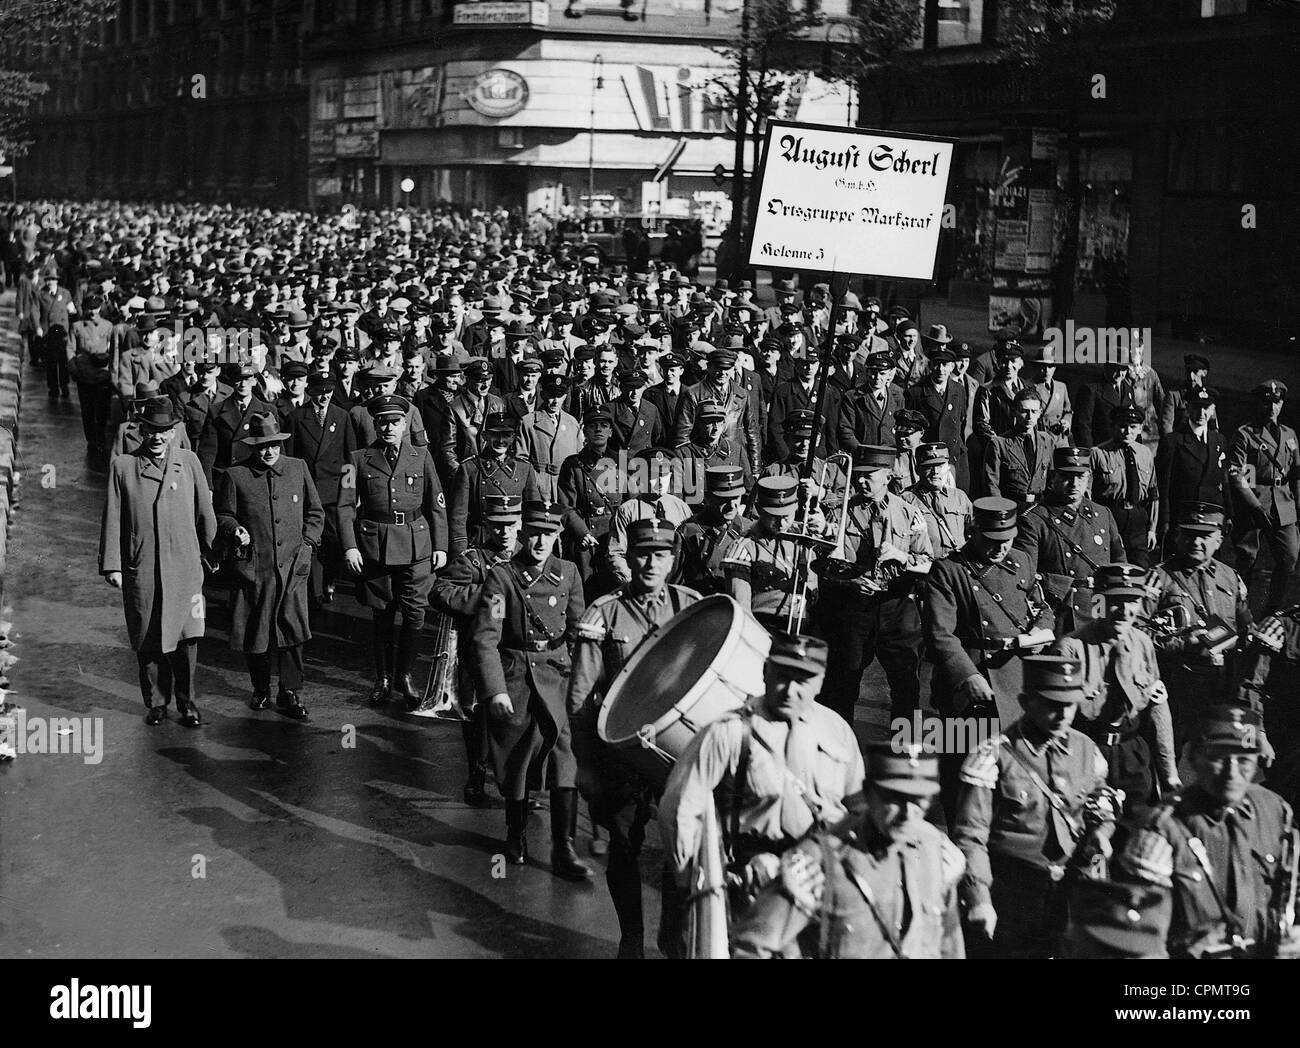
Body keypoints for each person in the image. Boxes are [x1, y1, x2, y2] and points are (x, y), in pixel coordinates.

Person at [658, 633, 864, 955]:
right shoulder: (730, 731)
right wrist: (693, 886)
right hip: (750, 881)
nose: (790, 690)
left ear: (821, 683)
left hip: (818, 880)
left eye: (803, 680)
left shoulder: (836, 731)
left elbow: (859, 806)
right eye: (782, 676)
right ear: (766, 671)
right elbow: (680, 806)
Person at [568, 520, 702, 958]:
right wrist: (586, 768)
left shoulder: (690, 607)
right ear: (630, 557)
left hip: (677, 754)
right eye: (643, 553)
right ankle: (631, 937)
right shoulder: (603, 613)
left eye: (660, 555)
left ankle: (671, 932)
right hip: (622, 755)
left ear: (671, 560)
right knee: (625, 846)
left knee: (680, 846)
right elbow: (581, 700)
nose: (650, 563)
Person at [730, 743, 965, 959]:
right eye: (894, 798)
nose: (908, 813)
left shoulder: (935, 850)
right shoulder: (819, 860)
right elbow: (750, 947)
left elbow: (949, 944)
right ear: (868, 793)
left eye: (919, 800)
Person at [953, 655, 1116, 959]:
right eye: (1052, 704)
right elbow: (970, 837)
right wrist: (979, 898)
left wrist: (1102, 830)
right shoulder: (992, 755)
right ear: (1026, 702)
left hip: (1070, 889)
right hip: (1012, 894)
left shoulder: (1086, 748)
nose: (1063, 714)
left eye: (1070, 704)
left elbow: (1101, 798)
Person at [470, 500, 592, 881]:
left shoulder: (569, 573)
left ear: (559, 536)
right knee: (517, 757)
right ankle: (515, 832)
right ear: (522, 534)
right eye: (534, 533)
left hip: (557, 672)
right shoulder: (503, 578)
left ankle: (564, 846)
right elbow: (485, 639)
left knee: (564, 753)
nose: (541, 542)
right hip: (517, 674)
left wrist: (580, 679)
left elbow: (577, 631)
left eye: (550, 534)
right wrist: (495, 690)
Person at [1118, 706, 1296, 958]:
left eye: (1244, 759)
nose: (1232, 773)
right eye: (1219, 757)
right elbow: (1138, 941)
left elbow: (1292, 889)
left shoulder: (1275, 811)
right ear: (1193, 758)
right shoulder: (1160, 832)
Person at [923, 497, 1055, 818]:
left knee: (1012, 770)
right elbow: (940, 633)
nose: (1000, 548)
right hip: (971, 685)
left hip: (1017, 681)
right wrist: (967, 676)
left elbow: (1041, 606)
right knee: (963, 771)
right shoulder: (948, 570)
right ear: (973, 531)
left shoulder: (1021, 560)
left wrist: (1040, 631)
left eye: (1007, 540)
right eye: (991, 540)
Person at [99, 398, 217, 727]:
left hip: (184, 567)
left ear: (173, 432)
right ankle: (156, 702)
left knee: (187, 638)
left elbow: (205, 513)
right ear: (142, 430)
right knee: (148, 637)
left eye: (165, 431)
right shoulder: (124, 467)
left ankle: (188, 703)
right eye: (152, 430)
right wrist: (113, 565)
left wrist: (211, 553)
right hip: (144, 567)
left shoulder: (189, 461)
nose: (158, 437)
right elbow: (112, 518)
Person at [336, 394, 449, 708]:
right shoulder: (356, 459)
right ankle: (383, 679)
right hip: (375, 546)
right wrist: (349, 547)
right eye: (383, 422)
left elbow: (437, 504)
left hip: (416, 545)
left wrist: (441, 546)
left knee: (415, 611)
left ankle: (405, 674)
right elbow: (345, 507)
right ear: (375, 424)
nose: (389, 427)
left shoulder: (422, 457)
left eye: (395, 422)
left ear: (405, 425)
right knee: (382, 613)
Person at [214, 412, 324, 720]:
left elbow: (315, 512)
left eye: (274, 444)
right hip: (255, 568)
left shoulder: (297, 469)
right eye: (262, 446)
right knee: (257, 632)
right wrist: (233, 529)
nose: (269, 451)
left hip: (293, 567)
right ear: (253, 447)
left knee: (292, 630)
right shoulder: (236, 476)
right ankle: (260, 688)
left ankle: (290, 692)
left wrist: (308, 544)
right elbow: (223, 514)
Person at [815, 444, 932, 724]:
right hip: (854, 609)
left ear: (888, 476)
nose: (860, 480)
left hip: (896, 606)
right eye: (858, 474)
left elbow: (928, 562)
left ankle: (906, 752)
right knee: (844, 682)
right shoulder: (839, 512)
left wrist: (901, 556)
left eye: (869, 475)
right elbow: (823, 565)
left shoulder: (909, 513)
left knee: (906, 683)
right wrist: (852, 581)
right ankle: (839, 746)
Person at [1050, 563, 1180, 811]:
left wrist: (1169, 773)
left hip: (1133, 756)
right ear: (1098, 601)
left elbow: (1157, 710)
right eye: (1115, 600)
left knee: (1137, 832)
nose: (1124, 610)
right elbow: (1054, 720)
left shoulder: (1143, 644)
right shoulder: (1070, 648)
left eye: (1132, 600)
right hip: (1085, 753)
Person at [431, 494, 523, 808]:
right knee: (479, 718)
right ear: (486, 526)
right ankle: (476, 774)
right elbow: (440, 591)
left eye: (511, 525)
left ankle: (519, 784)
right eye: (498, 526)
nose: (505, 532)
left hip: (518, 651)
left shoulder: (529, 556)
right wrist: (487, 596)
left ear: (520, 524)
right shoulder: (474, 560)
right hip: (484, 650)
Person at [1144, 501, 1253, 751]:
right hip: (1178, 684)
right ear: (1178, 536)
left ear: (1219, 539)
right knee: (1166, 753)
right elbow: (1136, 635)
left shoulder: (1232, 578)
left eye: (1204, 535)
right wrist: (1182, 642)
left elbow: (1247, 628)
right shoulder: (1156, 578)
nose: (1196, 542)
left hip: (1223, 685)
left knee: (1223, 757)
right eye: (1189, 534)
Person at [1016, 446, 1128, 633]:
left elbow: (1120, 564)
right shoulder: (1034, 519)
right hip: (1062, 609)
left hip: (1098, 605)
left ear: (1088, 479)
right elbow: (1026, 578)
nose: (1075, 483)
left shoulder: (1102, 514)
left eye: (1081, 477)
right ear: (1053, 478)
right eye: (1067, 477)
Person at [286, 372, 357, 605]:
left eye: (328, 391)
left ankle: (330, 581)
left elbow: (350, 458)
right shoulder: (296, 417)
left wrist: (351, 491)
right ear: (310, 391)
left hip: (335, 492)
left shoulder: (342, 416)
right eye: (319, 391)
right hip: (308, 490)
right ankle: (314, 592)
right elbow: (291, 457)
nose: (323, 396)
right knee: (310, 540)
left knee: (335, 542)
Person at [1229, 380, 1299, 615]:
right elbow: (1237, 475)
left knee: (1289, 557)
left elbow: (1296, 474)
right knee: (1247, 560)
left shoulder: (1290, 434)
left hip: (1284, 504)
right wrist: (1256, 507)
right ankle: (1240, 612)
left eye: (1276, 402)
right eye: (1267, 402)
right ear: (1259, 403)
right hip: (1255, 503)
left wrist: (1298, 506)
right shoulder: (1245, 435)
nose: (1271, 407)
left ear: (1281, 404)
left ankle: (1272, 612)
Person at [723, 476, 824, 634]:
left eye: (787, 516)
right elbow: (742, 610)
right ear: (759, 509)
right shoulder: (743, 548)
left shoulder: (806, 535)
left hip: (806, 626)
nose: (782, 524)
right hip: (766, 628)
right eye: (774, 517)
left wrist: (826, 530)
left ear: (796, 507)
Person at [449, 411, 543, 558]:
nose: (500, 440)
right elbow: (458, 517)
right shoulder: (470, 469)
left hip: (514, 544)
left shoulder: (524, 468)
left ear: (513, 437)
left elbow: (533, 513)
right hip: (481, 544)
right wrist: (460, 552)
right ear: (485, 436)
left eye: (506, 435)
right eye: (495, 435)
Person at [1155, 387, 1231, 558]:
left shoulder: (1218, 440)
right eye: (1197, 407)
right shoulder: (1173, 441)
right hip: (1183, 519)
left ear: (1213, 410)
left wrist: (1229, 514)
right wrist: (1165, 521)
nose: (1201, 412)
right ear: (1188, 408)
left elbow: (1224, 480)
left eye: (1206, 408)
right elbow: (1164, 485)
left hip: (1211, 518)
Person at [1090, 404, 1160, 567]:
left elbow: (1153, 493)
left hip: (1137, 519)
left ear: (1140, 428)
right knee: (1110, 567)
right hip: (1110, 517)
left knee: (1140, 568)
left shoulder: (1145, 454)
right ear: (1113, 426)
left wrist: (1152, 528)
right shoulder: (1098, 453)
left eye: (1133, 427)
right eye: (1122, 426)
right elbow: (1088, 495)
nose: (1128, 432)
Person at [678, 464, 752, 597]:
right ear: (708, 497)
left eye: (736, 498)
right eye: (723, 499)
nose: (731, 506)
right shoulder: (688, 532)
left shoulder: (748, 529)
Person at [514, 372, 582, 503]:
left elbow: (579, 458)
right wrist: (534, 483)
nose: (555, 401)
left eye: (560, 396)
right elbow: (521, 460)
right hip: (540, 486)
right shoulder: (528, 422)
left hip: (567, 488)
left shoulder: (572, 423)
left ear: (565, 397)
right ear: (543, 394)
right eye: (551, 395)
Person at [981, 388, 1055, 505]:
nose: (1029, 417)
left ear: (1040, 412)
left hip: (1039, 508)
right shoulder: (999, 444)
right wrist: (1002, 510)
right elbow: (991, 485)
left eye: (1034, 411)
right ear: (1014, 411)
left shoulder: (1047, 441)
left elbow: (1052, 480)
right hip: (1011, 506)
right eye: (1024, 411)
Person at [903, 442, 972, 560]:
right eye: (929, 466)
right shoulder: (906, 500)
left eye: (940, 465)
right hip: (927, 568)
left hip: (958, 566)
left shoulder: (959, 497)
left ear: (947, 467)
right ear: (917, 469)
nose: (935, 471)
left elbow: (972, 532)